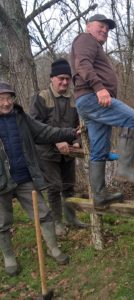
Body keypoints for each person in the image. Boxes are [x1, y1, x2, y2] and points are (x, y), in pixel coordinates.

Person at [0, 82, 79, 276]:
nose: (6, 103)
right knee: (2, 222)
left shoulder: (21, 118)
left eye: (9, 98)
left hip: (25, 177)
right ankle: (9, 257)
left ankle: (53, 248)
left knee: (43, 214)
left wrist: (70, 132)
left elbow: (45, 132)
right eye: (1, 99)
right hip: (1, 182)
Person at [71, 14, 134, 209]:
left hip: (91, 100)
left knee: (99, 150)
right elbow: (82, 64)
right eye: (101, 26)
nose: (105, 30)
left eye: (107, 28)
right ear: (88, 26)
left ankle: (99, 194)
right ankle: (124, 168)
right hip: (93, 97)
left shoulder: (95, 46)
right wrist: (99, 87)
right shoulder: (85, 39)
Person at [30, 58, 87, 236]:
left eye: (67, 79)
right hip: (47, 153)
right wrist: (56, 140)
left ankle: (71, 217)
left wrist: (77, 142)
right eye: (60, 78)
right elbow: (34, 126)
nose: (64, 82)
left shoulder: (74, 99)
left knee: (69, 186)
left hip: (68, 152)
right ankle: (57, 222)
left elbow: (80, 125)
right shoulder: (41, 97)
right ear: (52, 78)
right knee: (54, 187)